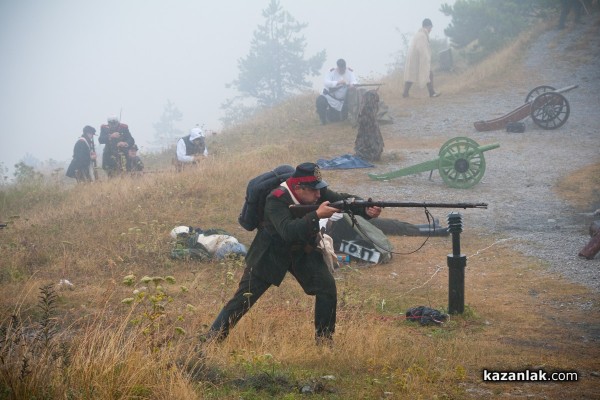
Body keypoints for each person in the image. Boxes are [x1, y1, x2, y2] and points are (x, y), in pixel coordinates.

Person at [204, 162, 382, 346]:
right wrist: (316, 216)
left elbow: (340, 200)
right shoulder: (276, 198)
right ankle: (210, 341)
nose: (319, 195)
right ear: (298, 187)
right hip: (270, 252)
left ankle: (324, 342)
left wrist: (365, 208)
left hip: (302, 250)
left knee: (327, 288)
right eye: (314, 191)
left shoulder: (315, 190)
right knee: (243, 299)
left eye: (319, 190)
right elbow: (288, 230)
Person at [403, 18, 440, 98]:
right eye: (431, 28)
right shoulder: (422, 35)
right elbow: (422, 49)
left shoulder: (419, 34)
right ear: (429, 26)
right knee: (428, 73)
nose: (431, 30)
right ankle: (432, 93)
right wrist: (426, 59)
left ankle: (405, 93)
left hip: (414, 58)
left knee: (412, 75)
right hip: (417, 59)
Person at [316, 58, 358, 125]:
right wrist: (338, 82)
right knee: (320, 100)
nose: (342, 70)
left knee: (336, 119)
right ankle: (323, 120)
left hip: (341, 101)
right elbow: (326, 82)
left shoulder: (349, 72)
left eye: (343, 68)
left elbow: (355, 81)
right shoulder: (331, 72)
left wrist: (352, 85)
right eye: (341, 68)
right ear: (338, 67)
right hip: (329, 97)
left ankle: (329, 114)